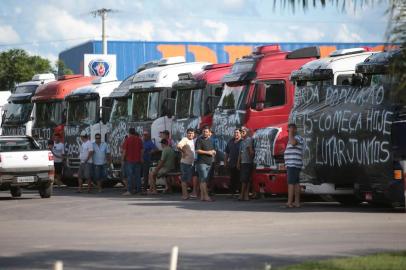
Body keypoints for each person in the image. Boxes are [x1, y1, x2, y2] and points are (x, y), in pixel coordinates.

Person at [284, 123, 304, 208]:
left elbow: (293, 143)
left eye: (290, 129)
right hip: (293, 164)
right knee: (296, 184)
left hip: (293, 164)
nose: (289, 131)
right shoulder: (294, 137)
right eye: (288, 129)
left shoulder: (297, 137)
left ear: (295, 129)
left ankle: (289, 202)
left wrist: (291, 133)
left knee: (291, 183)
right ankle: (296, 202)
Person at [195, 126, 216, 202]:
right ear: (202, 132)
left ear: (209, 133)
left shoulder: (210, 140)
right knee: (203, 179)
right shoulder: (199, 140)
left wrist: (213, 152)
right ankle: (206, 196)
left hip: (209, 162)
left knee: (203, 180)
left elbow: (212, 149)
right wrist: (208, 152)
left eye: (206, 132)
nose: (205, 133)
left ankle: (202, 196)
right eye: (204, 131)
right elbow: (197, 150)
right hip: (201, 163)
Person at [122, 128, 144, 195]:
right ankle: (139, 190)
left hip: (129, 160)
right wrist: (141, 158)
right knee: (138, 176)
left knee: (130, 176)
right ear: (134, 132)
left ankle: (129, 191)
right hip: (138, 160)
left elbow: (124, 151)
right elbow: (142, 150)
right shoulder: (139, 139)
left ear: (129, 133)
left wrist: (123, 159)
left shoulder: (127, 140)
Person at [177, 128, 195, 200]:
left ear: (194, 134)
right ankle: (185, 195)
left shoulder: (193, 140)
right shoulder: (185, 139)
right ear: (187, 134)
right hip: (185, 163)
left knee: (188, 179)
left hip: (191, 163)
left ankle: (188, 194)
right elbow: (178, 146)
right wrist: (184, 152)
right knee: (184, 179)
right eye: (189, 133)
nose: (190, 134)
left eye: (192, 133)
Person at [238, 127, 254, 201]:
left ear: (247, 132)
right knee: (245, 179)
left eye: (244, 131)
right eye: (241, 131)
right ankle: (245, 195)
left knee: (245, 180)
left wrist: (251, 154)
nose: (242, 132)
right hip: (243, 162)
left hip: (248, 162)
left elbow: (250, 151)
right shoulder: (242, 141)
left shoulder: (249, 140)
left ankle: (243, 195)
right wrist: (238, 163)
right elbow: (240, 153)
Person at [225, 128, 242, 196]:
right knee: (232, 178)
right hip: (232, 163)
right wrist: (225, 161)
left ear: (240, 134)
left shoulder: (242, 141)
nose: (236, 134)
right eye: (235, 133)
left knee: (240, 178)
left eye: (237, 133)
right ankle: (232, 192)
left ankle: (240, 192)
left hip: (240, 163)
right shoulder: (230, 141)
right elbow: (227, 152)